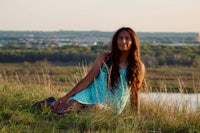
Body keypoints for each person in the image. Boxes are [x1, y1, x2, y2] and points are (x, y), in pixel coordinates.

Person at [51, 27, 145, 114]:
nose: (123, 41)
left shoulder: (138, 66)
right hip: (90, 94)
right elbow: (87, 80)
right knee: (70, 106)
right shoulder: (104, 58)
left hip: (111, 105)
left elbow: (135, 93)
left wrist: (135, 118)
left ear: (133, 42)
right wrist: (66, 97)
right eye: (120, 38)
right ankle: (49, 104)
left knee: (94, 108)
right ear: (116, 41)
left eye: (127, 38)